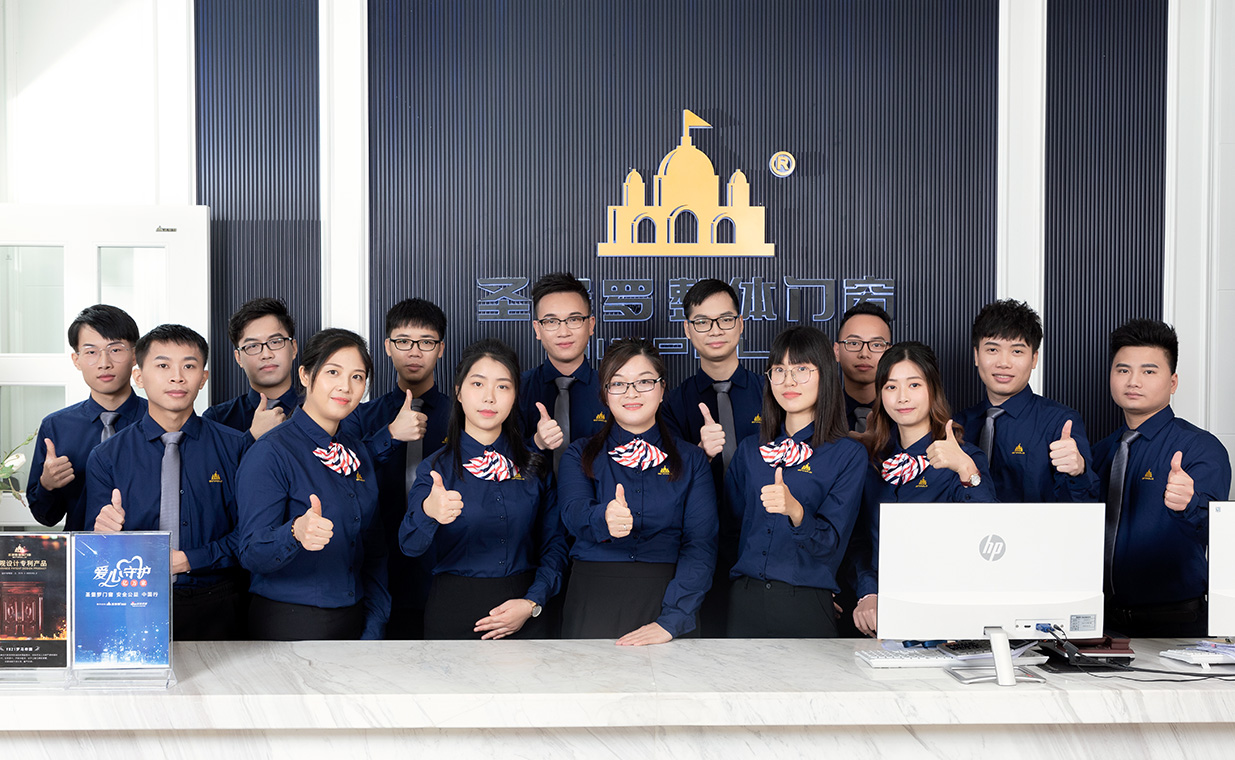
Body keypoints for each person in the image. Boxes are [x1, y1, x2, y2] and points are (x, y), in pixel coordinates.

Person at [84, 324, 249, 640]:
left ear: (203, 378)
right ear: (139, 377)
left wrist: (188, 560)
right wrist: (102, 532)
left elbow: (250, 535)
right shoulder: (107, 456)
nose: (177, 377)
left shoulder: (236, 447)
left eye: (189, 366)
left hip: (217, 601)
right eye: (163, 366)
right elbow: (94, 551)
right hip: (132, 603)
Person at [399, 339, 567, 639]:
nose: (489, 397)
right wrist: (429, 512)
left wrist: (533, 601)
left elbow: (555, 544)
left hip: (524, 610)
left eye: (503, 386)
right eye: (478, 384)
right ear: (459, 392)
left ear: (515, 396)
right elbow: (409, 546)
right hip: (454, 612)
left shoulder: (534, 466)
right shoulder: (436, 469)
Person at [558, 338, 717, 645]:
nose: (631, 393)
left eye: (644, 381)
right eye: (618, 384)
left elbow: (700, 544)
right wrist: (603, 517)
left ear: (662, 389)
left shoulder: (692, 459)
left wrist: (673, 620)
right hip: (594, 597)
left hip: (669, 596)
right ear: (605, 394)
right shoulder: (579, 454)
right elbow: (572, 513)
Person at [236, 329, 390, 640]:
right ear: (305, 375)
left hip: (355, 618)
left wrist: (375, 625)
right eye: (333, 372)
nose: (345, 386)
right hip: (289, 621)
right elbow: (250, 552)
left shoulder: (357, 452)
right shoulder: (271, 452)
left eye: (358, 377)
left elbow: (374, 552)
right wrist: (294, 532)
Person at [724, 326, 867, 638]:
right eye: (779, 370)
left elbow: (833, 544)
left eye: (801, 369)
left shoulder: (847, 455)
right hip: (744, 600)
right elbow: (729, 531)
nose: (788, 381)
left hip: (805, 601)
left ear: (824, 375)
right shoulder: (751, 450)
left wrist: (796, 512)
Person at [849, 341, 997, 637]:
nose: (902, 397)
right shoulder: (871, 460)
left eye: (914, 384)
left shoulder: (964, 458)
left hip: (946, 616)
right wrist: (868, 593)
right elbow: (859, 539)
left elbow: (989, 537)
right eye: (891, 387)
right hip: (880, 619)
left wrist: (966, 470)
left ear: (933, 389)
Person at [1094, 319, 1231, 637]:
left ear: (1173, 382)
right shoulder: (1100, 452)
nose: (1133, 381)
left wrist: (1189, 504)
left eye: (1149, 371)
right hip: (1104, 625)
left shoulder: (1200, 448)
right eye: (1123, 370)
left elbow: (1217, 533)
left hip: (1175, 625)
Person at [342, 298, 450, 639]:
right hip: (376, 566)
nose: (414, 352)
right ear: (388, 347)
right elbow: (339, 476)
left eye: (426, 342)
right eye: (403, 341)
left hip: (442, 565)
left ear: (441, 349)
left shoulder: (462, 417)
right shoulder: (360, 416)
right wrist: (389, 435)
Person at [662, 278, 764, 636]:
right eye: (703, 321)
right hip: (697, 544)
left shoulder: (772, 393)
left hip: (762, 540)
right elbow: (666, 483)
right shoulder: (673, 403)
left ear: (741, 324)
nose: (715, 330)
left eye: (725, 319)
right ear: (688, 330)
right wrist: (700, 456)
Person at [954, 299, 1098, 502]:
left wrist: (1079, 471)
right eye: (993, 350)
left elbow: (1083, 507)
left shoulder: (1058, 422)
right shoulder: (958, 424)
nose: (1004, 363)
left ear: (1034, 359)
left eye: (1017, 351)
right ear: (976, 355)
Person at [26, 304, 147, 530]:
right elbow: (46, 517)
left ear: (134, 355)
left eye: (116, 349)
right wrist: (47, 484)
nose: (104, 363)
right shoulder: (56, 426)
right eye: (91, 352)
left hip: (147, 548)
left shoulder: (160, 420)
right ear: (76, 360)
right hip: (81, 549)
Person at [518, 272, 606, 468]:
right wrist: (537, 443)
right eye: (551, 322)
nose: (564, 332)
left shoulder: (614, 390)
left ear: (591, 325)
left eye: (574, 319)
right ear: (537, 329)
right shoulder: (517, 390)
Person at [203, 297, 301, 440]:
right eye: (253, 346)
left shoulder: (319, 411)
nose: (266, 354)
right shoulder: (217, 420)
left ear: (294, 348)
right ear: (238, 358)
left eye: (275, 342)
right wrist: (252, 436)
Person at [833, 302, 893, 434]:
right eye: (854, 343)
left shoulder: (905, 414)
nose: (864, 354)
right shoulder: (818, 415)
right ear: (837, 351)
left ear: (890, 353)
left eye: (876, 345)